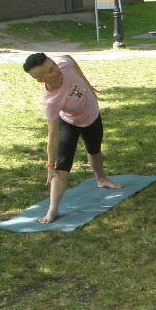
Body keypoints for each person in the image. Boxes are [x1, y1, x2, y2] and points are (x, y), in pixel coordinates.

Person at [22, 53, 122, 224]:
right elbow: (52, 136)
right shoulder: (51, 101)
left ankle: (101, 179)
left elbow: (69, 58)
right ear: (41, 80)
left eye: (53, 64)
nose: (57, 69)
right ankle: (52, 209)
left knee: (94, 149)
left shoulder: (64, 66)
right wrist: (49, 165)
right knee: (63, 164)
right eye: (51, 70)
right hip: (69, 122)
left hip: (91, 116)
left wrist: (88, 84)